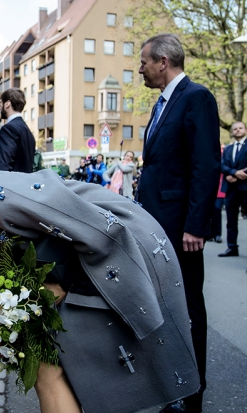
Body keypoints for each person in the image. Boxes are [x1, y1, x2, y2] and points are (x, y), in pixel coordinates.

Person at [0, 130, 199, 413]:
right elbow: (5, 274)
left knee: (56, 364)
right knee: (46, 365)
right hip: (85, 264)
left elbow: (100, 230)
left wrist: (65, 287)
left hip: (125, 249)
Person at [136, 34, 220, 413]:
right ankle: (174, 387)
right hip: (156, 226)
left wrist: (195, 226)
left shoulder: (196, 98)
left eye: (144, 62)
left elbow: (205, 166)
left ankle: (193, 396)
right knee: (164, 309)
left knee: (188, 311)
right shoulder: (161, 104)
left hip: (180, 229)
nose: (140, 68)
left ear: (163, 61)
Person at [0, 88, 35, 173]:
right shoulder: (28, 132)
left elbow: (2, 168)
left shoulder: (9, 129)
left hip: (7, 185)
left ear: (7, 104)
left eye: (0, 103)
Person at [219, 122, 247, 257]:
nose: (237, 130)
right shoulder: (228, 149)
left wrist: (239, 174)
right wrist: (234, 173)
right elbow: (221, 164)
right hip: (231, 189)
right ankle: (232, 247)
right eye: (234, 129)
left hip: (245, 188)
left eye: (240, 128)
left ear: (245, 130)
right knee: (231, 221)